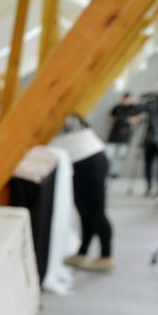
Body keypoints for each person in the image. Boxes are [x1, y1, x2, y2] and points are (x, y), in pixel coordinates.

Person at [51, 114, 115, 271]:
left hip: (89, 160)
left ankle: (106, 256)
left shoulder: (65, 114)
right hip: (80, 161)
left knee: (97, 213)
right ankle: (82, 253)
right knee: (85, 212)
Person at [106, 92, 138, 178]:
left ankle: (115, 172)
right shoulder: (117, 108)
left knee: (120, 155)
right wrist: (119, 120)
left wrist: (125, 120)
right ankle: (108, 170)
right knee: (109, 153)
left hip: (125, 135)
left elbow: (136, 119)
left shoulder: (133, 109)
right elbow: (110, 119)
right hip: (114, 134)